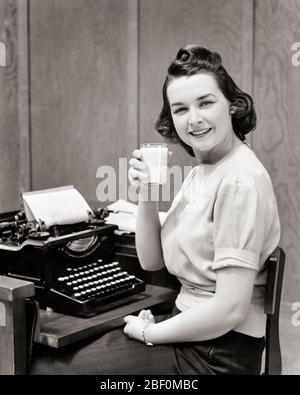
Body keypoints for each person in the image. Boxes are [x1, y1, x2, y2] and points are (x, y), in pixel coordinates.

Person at [30, 45, 280, 375]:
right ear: (170, 119)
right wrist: (147, 194)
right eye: (180, 109)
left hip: (217, 355)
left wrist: (151, 333)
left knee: (50, 368)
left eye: (206, 102)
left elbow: (230, 310)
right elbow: (151, 260)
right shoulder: (205, 168)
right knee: (55, 356)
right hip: (192, 329)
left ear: (232, 106)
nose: (194, 119)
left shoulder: (238, 181)